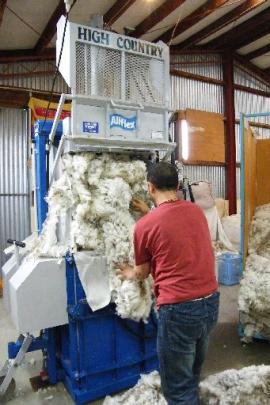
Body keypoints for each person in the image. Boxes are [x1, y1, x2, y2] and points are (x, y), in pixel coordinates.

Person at [117, 162, 219, 405]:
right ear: (176, 185)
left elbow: (143, 272)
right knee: (191, 374)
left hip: (179, 311)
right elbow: (171, 224)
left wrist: (128, 272)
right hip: (210, 304)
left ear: (150, 187)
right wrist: (148, 211)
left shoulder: (144, 227)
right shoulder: (195, 212)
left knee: (177, 389)